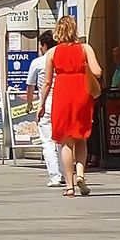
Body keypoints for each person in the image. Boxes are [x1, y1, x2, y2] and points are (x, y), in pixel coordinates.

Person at [40, 17, 102, 197]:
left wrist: (42, 104)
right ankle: (81, 174)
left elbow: (46, 82)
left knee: (66, 141)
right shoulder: (85, 48)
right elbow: (97, 71)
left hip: (62, 94)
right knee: (81, 137)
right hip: (81, 93)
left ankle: (69, 185)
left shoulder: (52, 52)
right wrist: (83, 67)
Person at [25, 29, 63, 188]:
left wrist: (30, 103)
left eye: (41, 46)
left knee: (47, 141)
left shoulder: (38, 62)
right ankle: (66, 172)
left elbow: (30, 86)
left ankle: (55, 176)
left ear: (44, 45)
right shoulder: (62, 59)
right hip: (62, 101)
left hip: (46, 102)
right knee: (62, 141)